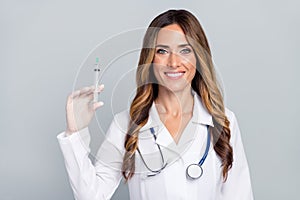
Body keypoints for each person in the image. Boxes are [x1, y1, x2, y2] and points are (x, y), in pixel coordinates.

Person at [57, 9, 254, 200]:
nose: (173, 62)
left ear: (199, 58)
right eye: (162, 51)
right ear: (150, 59)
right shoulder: (125, 124)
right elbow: (92, 196)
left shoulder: (224, 121)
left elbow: (240, 195)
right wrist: (75, 133)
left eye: (185, 50)